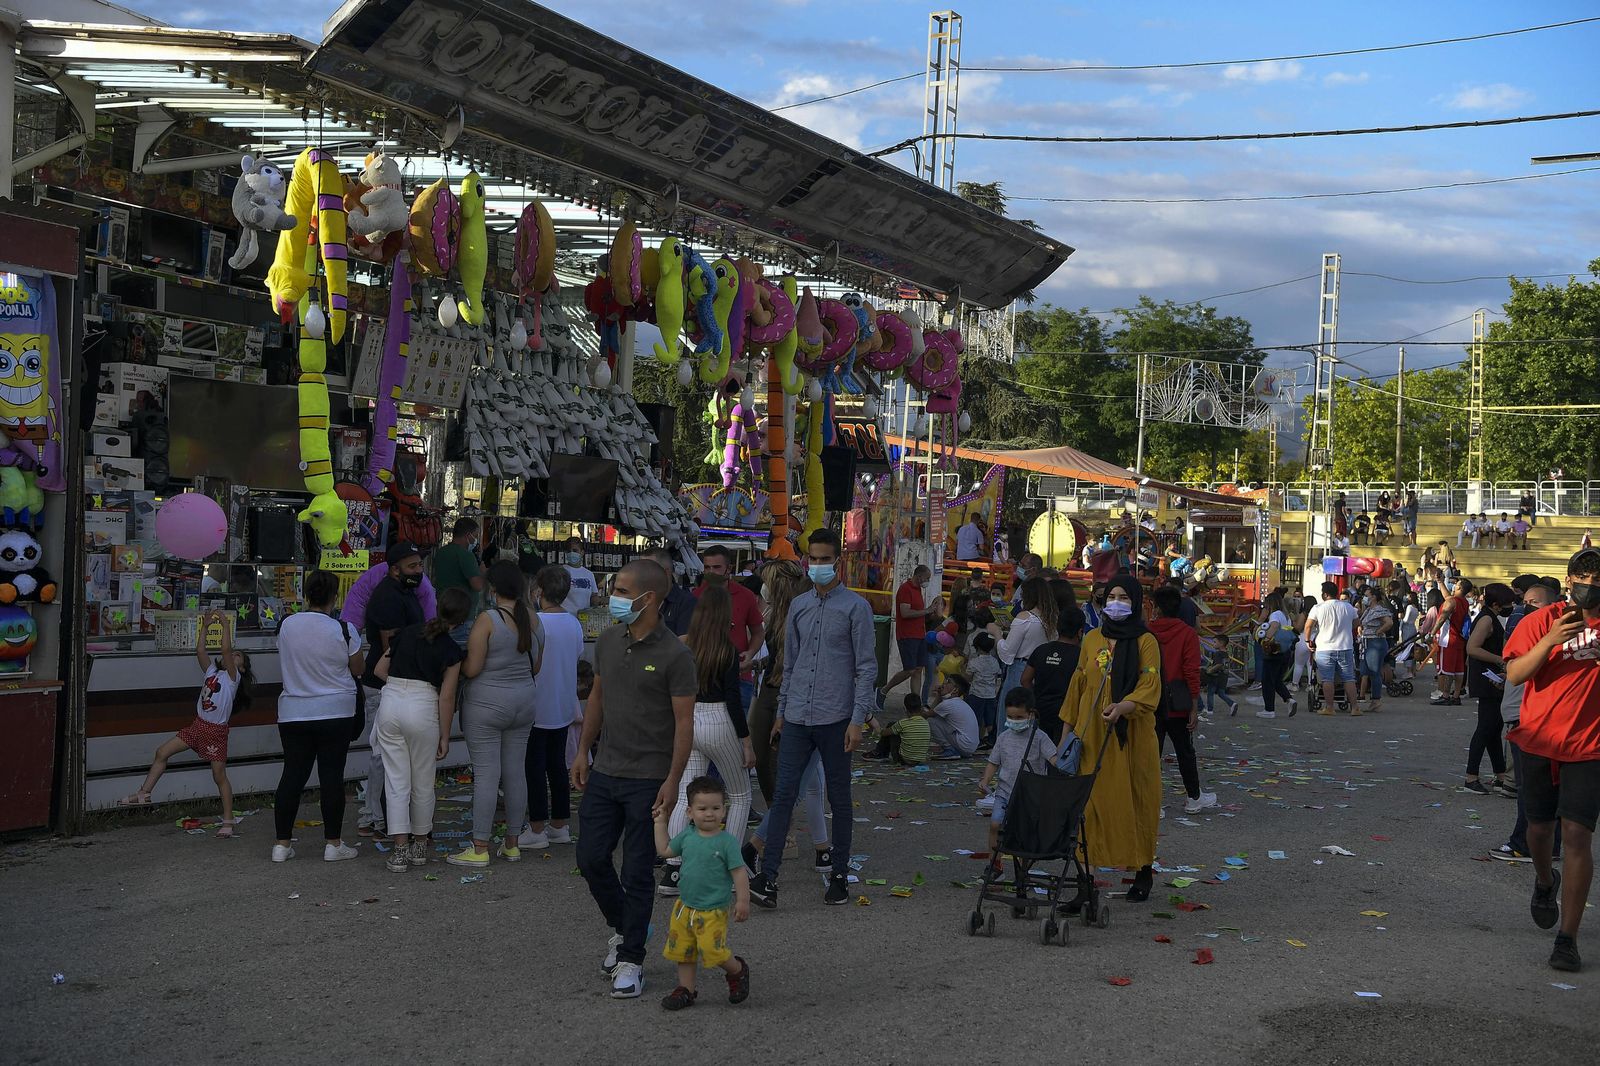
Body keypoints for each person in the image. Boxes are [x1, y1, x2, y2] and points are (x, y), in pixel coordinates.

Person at [573, 560, 697, 999]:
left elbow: (685, 724)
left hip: (650, 778)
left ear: (650, 599)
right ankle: (627, 927)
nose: (614, 595)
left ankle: (631, 960)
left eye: (623, 589)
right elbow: (598, 698)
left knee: (639, 870)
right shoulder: (608, 641)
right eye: (615, 587)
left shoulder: (676, 655)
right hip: (606, 769)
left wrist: (673, 781)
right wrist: (583, 750)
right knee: (590, 858)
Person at [749, 528, 875, 910]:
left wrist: (858, 719)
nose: (818, 565)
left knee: (839, 798)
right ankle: (767, 878)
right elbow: (791, 665)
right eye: (813, 559)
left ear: (838, 560)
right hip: (798, 716)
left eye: (824, 559)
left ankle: (838, 876)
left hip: (836, 717)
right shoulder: (799, 607)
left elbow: (867, 668)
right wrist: (783, 712)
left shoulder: (856, 608)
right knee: (784, 795)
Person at [1504, 549, 1600, 973]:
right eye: (1583, 575)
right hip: (1539, 739)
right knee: (1540, 831)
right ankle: (1545, 881)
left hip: (1590, 746)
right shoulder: (1539, 620)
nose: (1589, 583)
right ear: (1569, 577)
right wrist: (1550, 641)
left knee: (1577, 836)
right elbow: (1515, 674)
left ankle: (1568, 938)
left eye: (1597, 577)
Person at [1058, 575, 1162, 906]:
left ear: (1135, 602)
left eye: (1124, 597)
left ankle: (1143, 869)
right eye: (1110, 596)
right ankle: (1084, 883)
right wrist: (1066, 740)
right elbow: (1077, 689)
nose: (1115, 602)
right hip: (1091, 737)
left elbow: (1150, 686)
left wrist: (1123, 706)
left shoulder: (1146, 641)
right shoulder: (1090, 639)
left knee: (1136, 803)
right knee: (1088, 809)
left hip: (1130, 739)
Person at [117, 609, 253, 836]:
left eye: (238, 656)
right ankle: (145, 792)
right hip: (198, 725)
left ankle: (228, 820)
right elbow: (200, 650)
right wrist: (206, 626)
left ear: (242, 668)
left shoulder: (232, 678)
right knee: (162, 752)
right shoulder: (212, 671)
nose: (232, 655)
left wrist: (226, 627)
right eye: (234, 654)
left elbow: (226, 649)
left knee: (218, 776)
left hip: (215, 731)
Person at [660, 583, 754, 897]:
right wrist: (746, 740)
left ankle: (674, 869)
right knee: (740, 796)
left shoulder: (684, 644)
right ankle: (729, 869)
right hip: (719, 720)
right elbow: (732, 700)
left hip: (688, 719)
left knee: (687, 795)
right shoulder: (725, 650)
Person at [271, 569, 365, 863]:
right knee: (332, 777)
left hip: (293, 712)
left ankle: (281, 845)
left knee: (292, 777)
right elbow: (358, 669)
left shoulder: (286, 625)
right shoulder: (345, 630)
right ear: (335, 598)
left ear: (306, 594)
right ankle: (333, 844)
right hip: (336, 711)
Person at [453, 562, 541, 868]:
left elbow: (473, 668)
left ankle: (479, 847)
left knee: (487, 774)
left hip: (487, 705)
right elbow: (536, 667)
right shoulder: (533, 619)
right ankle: (512, 843)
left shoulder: (487, 619)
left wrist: (457, 667)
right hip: (525, 703)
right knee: (515, 771)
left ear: (492, 589)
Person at [374, 589, 467, 872]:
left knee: (396, 781)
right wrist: (444, 735)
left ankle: (399, 849)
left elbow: (379, 670)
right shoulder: (452, 649)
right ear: (462, 621)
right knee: (423, 782)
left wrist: (401, 685)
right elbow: (447, 697)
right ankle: (418, 844)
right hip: (423, 705)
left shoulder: (406, 633)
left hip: (391, 703)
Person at [653, 776, 750, 1011]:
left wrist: (742, 900)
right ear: (689, 812)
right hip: (685, 907)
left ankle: (737, 970)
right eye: (702, 808)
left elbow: (739, 872)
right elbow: (665, 850)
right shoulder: (687, 836)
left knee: (712, 950)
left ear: (724, 810)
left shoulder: (727, 842)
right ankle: (686, 989)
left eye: (716, 808)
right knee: (684, 951)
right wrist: (659, 824)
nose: (709, 814)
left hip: (713, 909)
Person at [356, 542, 428, 838]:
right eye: (412, 567)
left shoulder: (405, 591)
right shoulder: (387, 597)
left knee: (390, 755)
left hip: (396, 682)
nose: (419, 571)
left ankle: (384, 814)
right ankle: (375, 816)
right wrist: (400, 678)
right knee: (382, 754)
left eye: (420, 565)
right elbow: (390, 645)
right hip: (384, 683)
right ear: (394, 569)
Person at [1494, 578, 1562, 862]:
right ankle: (1545, 846)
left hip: (1532, 723)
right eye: (1524, 602)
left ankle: (1525, 843)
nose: (1526, 608)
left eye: (1534, 603)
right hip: (1518, 716)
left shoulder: (1554, 637)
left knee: (1530, 792)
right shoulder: (1529, 633)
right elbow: (1515, 670)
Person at [518, 565, 583, 849]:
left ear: (538, 592)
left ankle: (536, 828)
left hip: (536, 703)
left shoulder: (535, 622)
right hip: (563, 703)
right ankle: (560, 825)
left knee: (534, 766)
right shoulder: (573, 623)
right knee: (557, 765)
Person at [1147, 584, 1215, 813]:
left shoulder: (1147, 632)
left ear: (1156, 607)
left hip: (1150, 700)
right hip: (1179, 702)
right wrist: (1194, 705)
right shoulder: (1187, 634)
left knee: (1151, 753)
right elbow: (1191, 671)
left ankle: (1151, 802)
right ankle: (1193, 797)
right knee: (1185, 751)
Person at [977, 687, 1055, 872]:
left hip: (1029, 795)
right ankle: (994, 866)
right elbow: (993, 763)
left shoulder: (1039, 737)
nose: (1014, 722)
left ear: (1031, 715)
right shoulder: (1003, 737)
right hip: (1004, 792)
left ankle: (1022, 871)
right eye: (1010, 717)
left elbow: (1054, 759)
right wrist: (985, 780)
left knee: (1023, 833)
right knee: (995, 825)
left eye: (1019, 718)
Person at [1461, 582, 1516, 798]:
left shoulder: (1490, 616)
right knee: (1486, 728)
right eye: (1507, 603)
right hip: (1488, 678)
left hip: (1491, 676)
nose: (1510, 606)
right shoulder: (1486, 619)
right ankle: (1471, 777)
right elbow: (1472, 648)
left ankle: (1500, 774)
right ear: (1496, 604)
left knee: (1494, 728)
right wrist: (1499, 660)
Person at [695, 546, 765, 707]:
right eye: (707, 567)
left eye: (716, 567)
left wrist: (750, 653)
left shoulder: (745, 595)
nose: (711, 572)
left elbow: (758, 632)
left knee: (738, 730)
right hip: (705, 678)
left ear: (729, 569)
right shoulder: (695, 597)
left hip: (739, 677)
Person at [1020, 604, 1080, 745]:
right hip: (1067, 715)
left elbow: (1025, 680)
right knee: (1061, 755)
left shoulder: (1041, 650)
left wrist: (1034, 701)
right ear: (1080, 631)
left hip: (1041, 711)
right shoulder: (1081, 655)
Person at [879, 564, 937, 706]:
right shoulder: (906, 589)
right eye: (927, 578)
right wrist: (927, 611)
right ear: (919, 576)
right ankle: (884, 690)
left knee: (918, 670)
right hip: (907, 635)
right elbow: (905, 613)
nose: (928, 581)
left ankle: (915, 704)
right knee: (909, 670)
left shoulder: (918, 590)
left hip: (919, 634)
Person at [1305, 581, 1361, 717]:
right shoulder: (1348, 607)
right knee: (1348, 678)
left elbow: (1308, 626)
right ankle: (1355, 708)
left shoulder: (1318, 608)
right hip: (1345, 646)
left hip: (1325, 647)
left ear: (1324, 594)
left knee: (1327, 679)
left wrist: (1308, 641)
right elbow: (1357, 622)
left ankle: (1329, 707)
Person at [999, 576, 1057, 704]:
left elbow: (1007, 653)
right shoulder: (1052, 618)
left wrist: (997, 635)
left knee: (1012, 713)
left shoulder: (1024, 617)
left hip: (1020, 668)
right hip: (1042, 670)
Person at [433, 516, 486, 644]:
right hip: (462, 618)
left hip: (443, 612)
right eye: (475, 535)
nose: (476, 539)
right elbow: (477, 585)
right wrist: (483, 572)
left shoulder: (441, 552)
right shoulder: (466, 555)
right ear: (468, 535)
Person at [1255, 591, 1298, 720]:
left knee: (1267, 680)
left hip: (1274, 651)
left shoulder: (1275, 615)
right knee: (1277, 680)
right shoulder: (1286, 616)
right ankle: (1289, 699)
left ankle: (1269, 709)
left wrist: (1266, 635)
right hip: (1285, 652)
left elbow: (1273, 627)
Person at [1431, 578, 1473, 707]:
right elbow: (1447, 596)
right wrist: (1440, 582)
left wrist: (1432, 633)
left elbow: (1443, 617)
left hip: (1447, 638)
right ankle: (1456, 696)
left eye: (1456, 584)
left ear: (1460, 588)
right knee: (1458, 669)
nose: (1454, 586)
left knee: (1446, 669)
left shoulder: (1451, 602)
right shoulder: (1463, 602)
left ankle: (1445, 695)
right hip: (1460, 639)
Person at [1356, 586, 1394, 714]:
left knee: (1374, 671)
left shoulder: (1379, 610)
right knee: (1366, 670)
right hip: (1367, 642)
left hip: (1375, 642)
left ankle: (1376, 700)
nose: (1364, 597)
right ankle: (1372, 699)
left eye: (1367, 595)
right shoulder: (1368, 610)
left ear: (1373, 597)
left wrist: (1379, 631)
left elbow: (1389, 623)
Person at [865, 693, 931, 765]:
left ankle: (879, 753)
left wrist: (876, 729)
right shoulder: (926, 723)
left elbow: (884, 733)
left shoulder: (903, 723)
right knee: (898, 730)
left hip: (904, 760)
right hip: (919, 760)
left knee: (892, 726)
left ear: (905, 709)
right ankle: (880, 753)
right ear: (920, 708)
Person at [645, 546, 695, 636]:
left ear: (665, 572)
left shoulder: (686, 602)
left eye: (648, 569)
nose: (642, 574)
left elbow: (684, 643)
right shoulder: (641, 600)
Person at [927, 675, 981, 758]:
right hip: (969, 747)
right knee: (937, 718)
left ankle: (949, 749)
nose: (943, 684)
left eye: (948, 682)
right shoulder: (958, 702)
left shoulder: (947, 704)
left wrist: (938, 695)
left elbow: (927, 714)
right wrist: (939, 694)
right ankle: (951, 749)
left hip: (964, 745)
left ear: (955, 690)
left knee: (930, 721)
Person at [967, 631, 1004, 747]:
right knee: (989, 721)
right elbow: (996, 675)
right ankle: (989, 740)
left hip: (976, 694)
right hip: (991, 695)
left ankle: (975, 740)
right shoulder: (995, 662)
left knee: (975, 720)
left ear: (977, 646)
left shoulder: (974, 662)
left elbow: (968, 677)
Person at [561, 536, 605, 615]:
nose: (571, 553)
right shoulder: (560, 572)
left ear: (582, 552)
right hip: (566, 617)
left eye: (575, 550)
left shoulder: (589, 574)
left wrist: (599, 602)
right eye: (568, 551)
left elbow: (593, 596)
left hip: (584, 618)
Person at [1201, 642, 1238, 716]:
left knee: (1210, 693)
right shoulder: (1226, 654)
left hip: (1216, 676)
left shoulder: (1218, 654)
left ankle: (1210, 710)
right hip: (1223, 676)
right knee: (1221, 693)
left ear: (1221, 644)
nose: (1213, 644)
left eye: (1215, 642)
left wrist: (1209, 670)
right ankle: (1232, 704)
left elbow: (1218, 664)